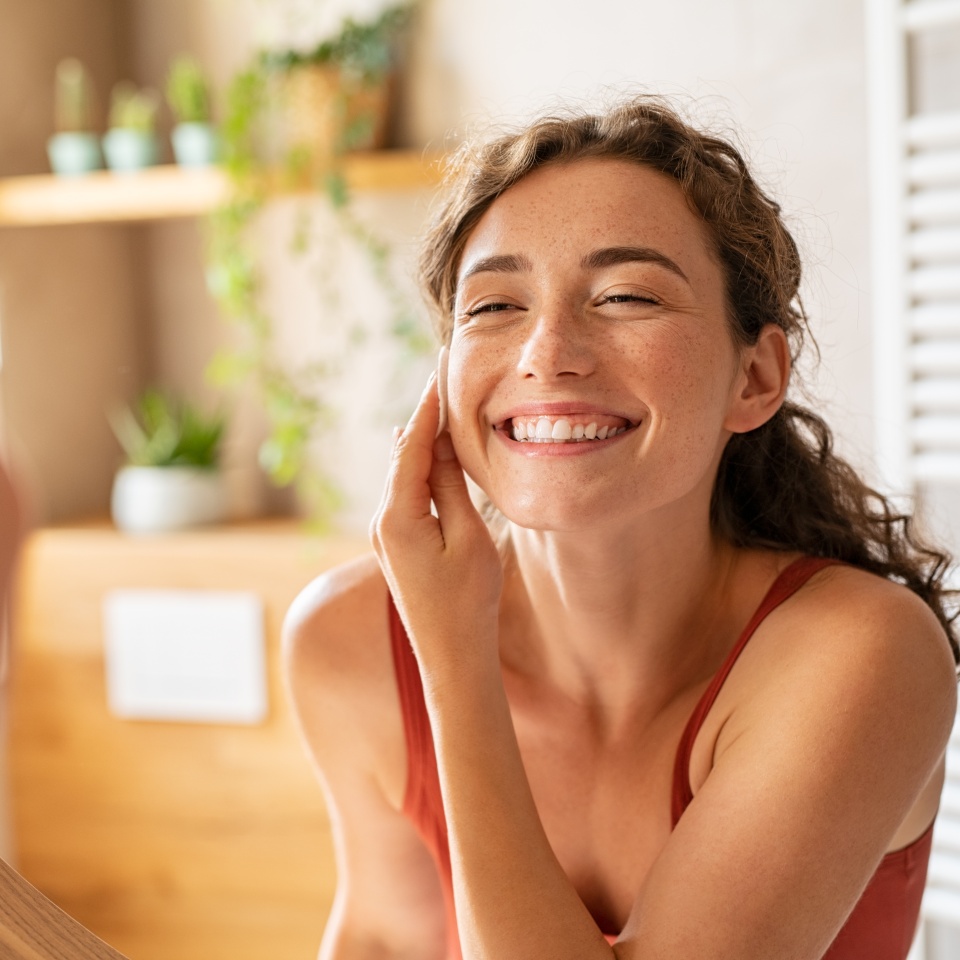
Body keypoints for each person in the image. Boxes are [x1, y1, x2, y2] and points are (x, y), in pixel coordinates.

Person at [283, 97, 959, 960]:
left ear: (754, 377)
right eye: (493, 308)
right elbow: (386, 937)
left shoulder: (862, 654)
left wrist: (454, 662)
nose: (548, 351)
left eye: (626, 295)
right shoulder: (350, 642)